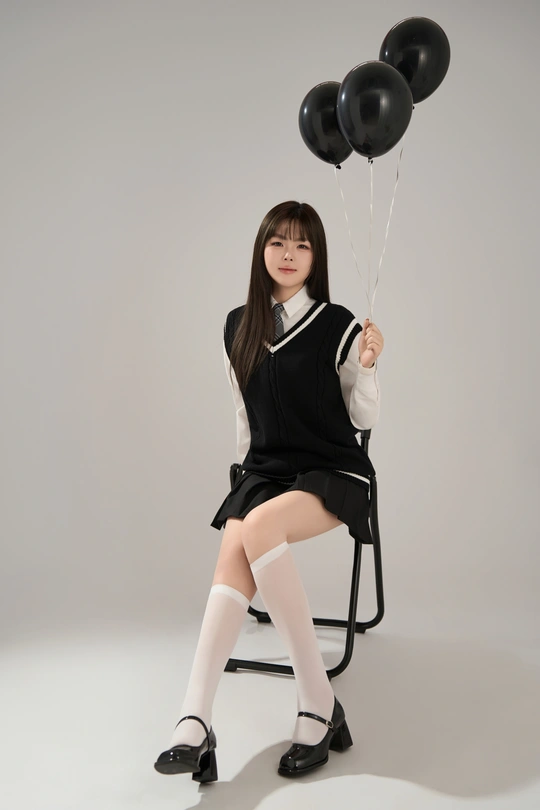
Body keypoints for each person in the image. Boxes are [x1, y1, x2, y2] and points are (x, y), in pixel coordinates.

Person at [154, 200, 384, 782]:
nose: (289, 253)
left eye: (303, 244)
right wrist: (244, 483)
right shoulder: (238, 326)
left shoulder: (338, 325)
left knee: (255, 526)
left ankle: (317, 701)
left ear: (316, 257)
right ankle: (194, 720)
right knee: (239, 534)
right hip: (268, 471)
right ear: (261, 250)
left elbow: (363, 418)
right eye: (278, 241)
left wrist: (367, 366)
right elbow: (245, 415)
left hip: (333, 469)